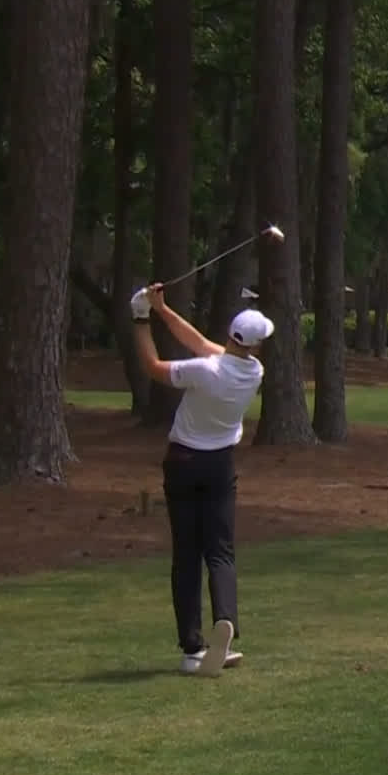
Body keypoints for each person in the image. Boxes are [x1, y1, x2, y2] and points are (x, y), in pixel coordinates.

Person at [131, 283, 273, 677]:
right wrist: (162, 308)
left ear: (231, 335)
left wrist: (140, 318)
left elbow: (153, 368)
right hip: (220, 468)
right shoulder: (253, 371)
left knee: (186, 555)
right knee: (221, 552)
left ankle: (192, 648)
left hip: (182, 464)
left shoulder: (205, 370)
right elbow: (197, 341)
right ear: (254, 346)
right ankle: (224, 620)